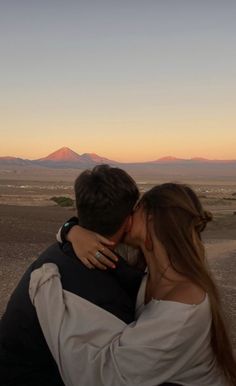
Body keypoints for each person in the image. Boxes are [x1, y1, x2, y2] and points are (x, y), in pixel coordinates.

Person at [29, 183, 236, 386]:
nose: (126, 216)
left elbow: (106, 378)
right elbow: (94, 226)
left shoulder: (185, 305)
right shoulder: (154, 271)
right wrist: (71, 230)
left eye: (135, 209)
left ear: (151, 219)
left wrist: (47, 291)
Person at [0, 165, 147, 386]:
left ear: (79, 210)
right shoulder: (105, 291)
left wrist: (70, 229)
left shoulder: (60, 254)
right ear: (128, 220)